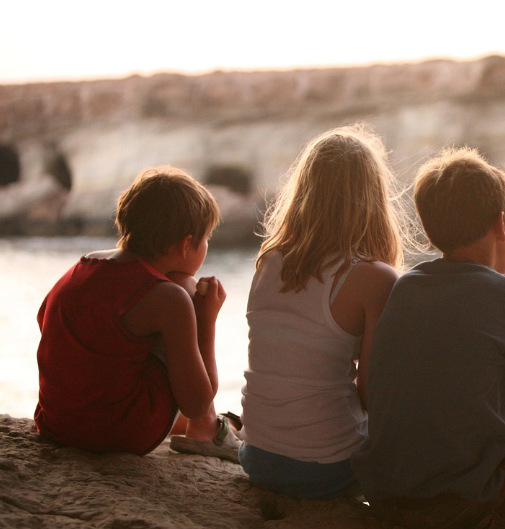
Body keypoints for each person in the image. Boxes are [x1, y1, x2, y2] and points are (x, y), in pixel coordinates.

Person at [351, 147, 505, 529]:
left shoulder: (407, 287)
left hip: (385, 497)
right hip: (464, 511)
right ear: (502, 224)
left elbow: (448, 371)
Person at [238, 124, 407, 499]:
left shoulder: (269, 260)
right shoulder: (373, 278)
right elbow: (372, 393)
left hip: (257, 457)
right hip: (329, 469)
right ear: (373, 198)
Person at [35, 166, 239, 461]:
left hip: (57, 424)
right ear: (185, 245)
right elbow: (197, 403)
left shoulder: (82, 266)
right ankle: (209, 431)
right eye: (206, 238)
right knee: (185, 288)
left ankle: (200, 426)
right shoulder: (170, 298)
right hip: (118, 434)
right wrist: (206, 319)